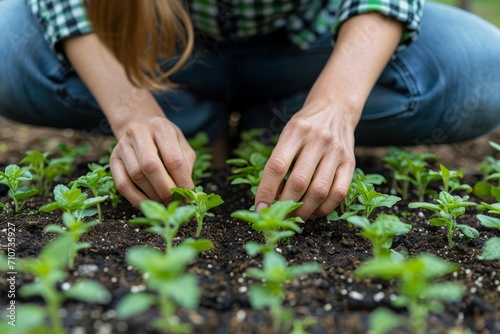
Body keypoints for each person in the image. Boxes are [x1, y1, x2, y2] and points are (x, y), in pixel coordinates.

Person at [0, 0, 499, 220]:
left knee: (484, 68)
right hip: (162, 51)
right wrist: (131, 112)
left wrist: (337, 104)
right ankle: (188, 122)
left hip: (315, 46)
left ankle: (284, 124)